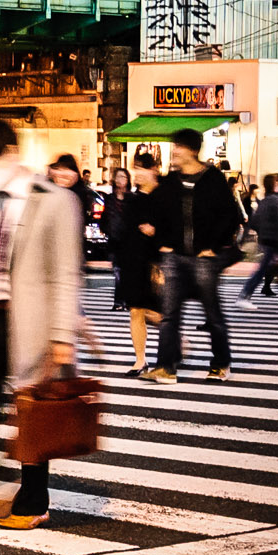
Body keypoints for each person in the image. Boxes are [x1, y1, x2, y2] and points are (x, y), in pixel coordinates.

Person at [0, 119, 84, 531]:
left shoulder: (56, 200)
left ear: (11, 155)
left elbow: (67, 273)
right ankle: (2, 471)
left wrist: (62, 336)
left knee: (31, 412)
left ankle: (32, 501)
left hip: (32, 318)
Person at [146, 127, 242, 383]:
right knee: (169, 315)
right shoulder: (170, 182)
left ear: (190, 150)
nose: (173, 152)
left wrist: (212, 245)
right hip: (175, 257)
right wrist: (163, 243)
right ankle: (166, 367)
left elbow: (230, 216)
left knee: (212, 314)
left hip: (203, 258)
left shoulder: (213, 179)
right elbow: (155, 213)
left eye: (177, 147)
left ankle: (221, 363)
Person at [112, 152, 164, 374]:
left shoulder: (163, 197)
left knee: (156, 313)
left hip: (155, 262)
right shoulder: (134, 199)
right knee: (135, 311)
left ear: (154, 169)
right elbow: (125, 230)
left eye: (142, 168)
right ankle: (140, 360)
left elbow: (175, 227)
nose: (138, 173)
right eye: (136, 169)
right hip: (133, 260)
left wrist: (156, 232)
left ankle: (174, 341)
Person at [237, 171, 278, 311]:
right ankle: (244, 296)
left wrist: (263, 232)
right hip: (277, 241)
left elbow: (255, 221)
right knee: (269, 270)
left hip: (266, 240)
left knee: (276, 269)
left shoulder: (265, 200)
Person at [102, 165, 134, 310]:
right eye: (119, 177)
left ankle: (124, 301)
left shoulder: (132, 199)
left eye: (124, 177)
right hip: (114, 240)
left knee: (126, 272)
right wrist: (106, 230)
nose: (121, 180)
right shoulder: (109, 199)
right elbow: (103, 218)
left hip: (128, 241)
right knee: (117, 272)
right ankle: (119, 302)